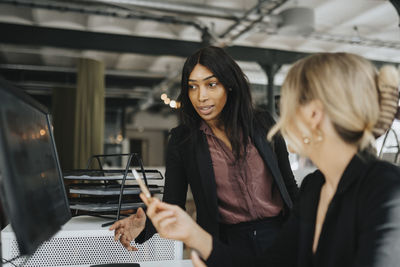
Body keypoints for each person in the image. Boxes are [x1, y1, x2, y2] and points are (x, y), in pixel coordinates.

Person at [143, 52, 400, 267]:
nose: (282, 120)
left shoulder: (386, 190)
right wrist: (196, 237)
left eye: (286, 105)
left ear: (313, 114)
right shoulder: (315, 188)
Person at [110, 46, 298, 256]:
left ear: (229, 85)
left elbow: (288, 186)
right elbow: (175, 205)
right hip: (225, 244)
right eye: (192, 87)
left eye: (211, 84)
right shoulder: (183, 141)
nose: (201, 97)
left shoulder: (262, 123)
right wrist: (144, 225)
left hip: (280, 236)